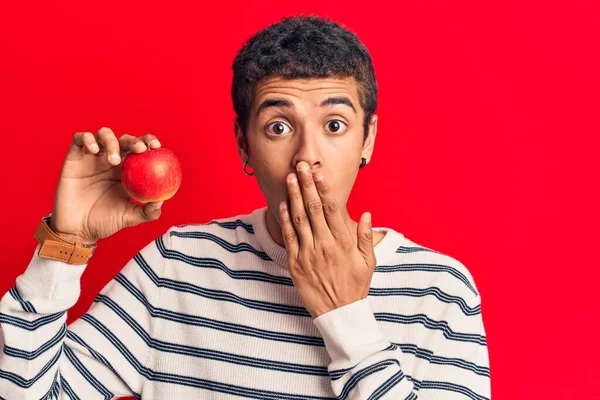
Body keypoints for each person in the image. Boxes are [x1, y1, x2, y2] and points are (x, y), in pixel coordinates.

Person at [0, 15, 490, 400]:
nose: (307, 156)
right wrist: (66, 245)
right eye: (279, 126)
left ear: (369, 139)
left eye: (335, 125)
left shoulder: (438, 291)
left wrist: (346, 317)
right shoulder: (177, 267)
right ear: (243, 146)